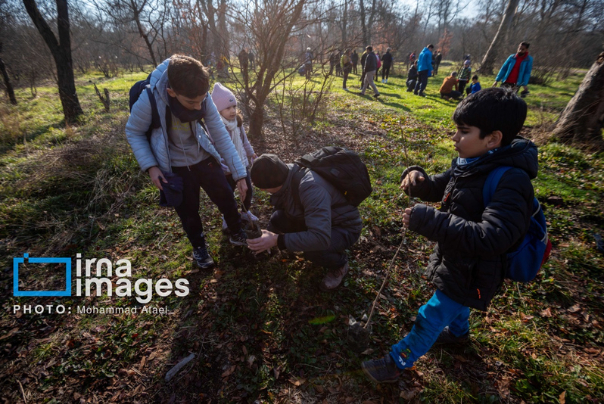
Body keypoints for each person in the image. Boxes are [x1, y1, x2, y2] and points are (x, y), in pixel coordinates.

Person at [361, 87, 537, 383]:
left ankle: (396, 362)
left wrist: (432, 221)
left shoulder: (511, 180)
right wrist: (418, 179)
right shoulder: (472, 162)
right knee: (457, 303)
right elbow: (442, 186)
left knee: (432, 314)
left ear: (492, 139)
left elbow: (492, 236)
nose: (454, 138)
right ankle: (459, 334)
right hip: (456, 258)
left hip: (476, 269)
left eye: (463, 131)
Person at [125, 55, 250, 270]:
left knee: (225, 196)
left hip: (204, 158)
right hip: (174, 166)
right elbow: (134, 131)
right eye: (191, 102)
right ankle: (199, 247)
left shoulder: (201, 96)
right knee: (188, 211)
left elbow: (219, 134)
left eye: (202, 100)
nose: (198, 106)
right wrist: (152, 167)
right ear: (171, 92)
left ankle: (236, 231)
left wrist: (239, 173)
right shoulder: (150, 99)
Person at [246, 154, 362, 291]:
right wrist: (269, 235)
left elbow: (320, 238)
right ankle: (268, 248)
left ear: (273, 185)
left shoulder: (311, 188)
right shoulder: (285, 173)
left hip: (344, 226)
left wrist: (278, 240)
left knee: (313, 251)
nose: (265, 192)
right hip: (317, 220)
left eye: (264, 189)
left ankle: (340, 264)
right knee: (278, 218)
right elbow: (282, 206)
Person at [209, 83, 258, 232]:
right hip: (226, 169)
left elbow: (243, 141)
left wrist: (251, 153)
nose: (232, 111)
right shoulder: (215, 127)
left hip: (241, 164)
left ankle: (245, 211)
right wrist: (223, 165)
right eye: (227, 108)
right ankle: (228, 216)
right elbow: (214, 149)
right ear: (218, 110)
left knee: (248, 190)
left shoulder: (237, 123)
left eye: (234, 107)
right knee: (227, 195)